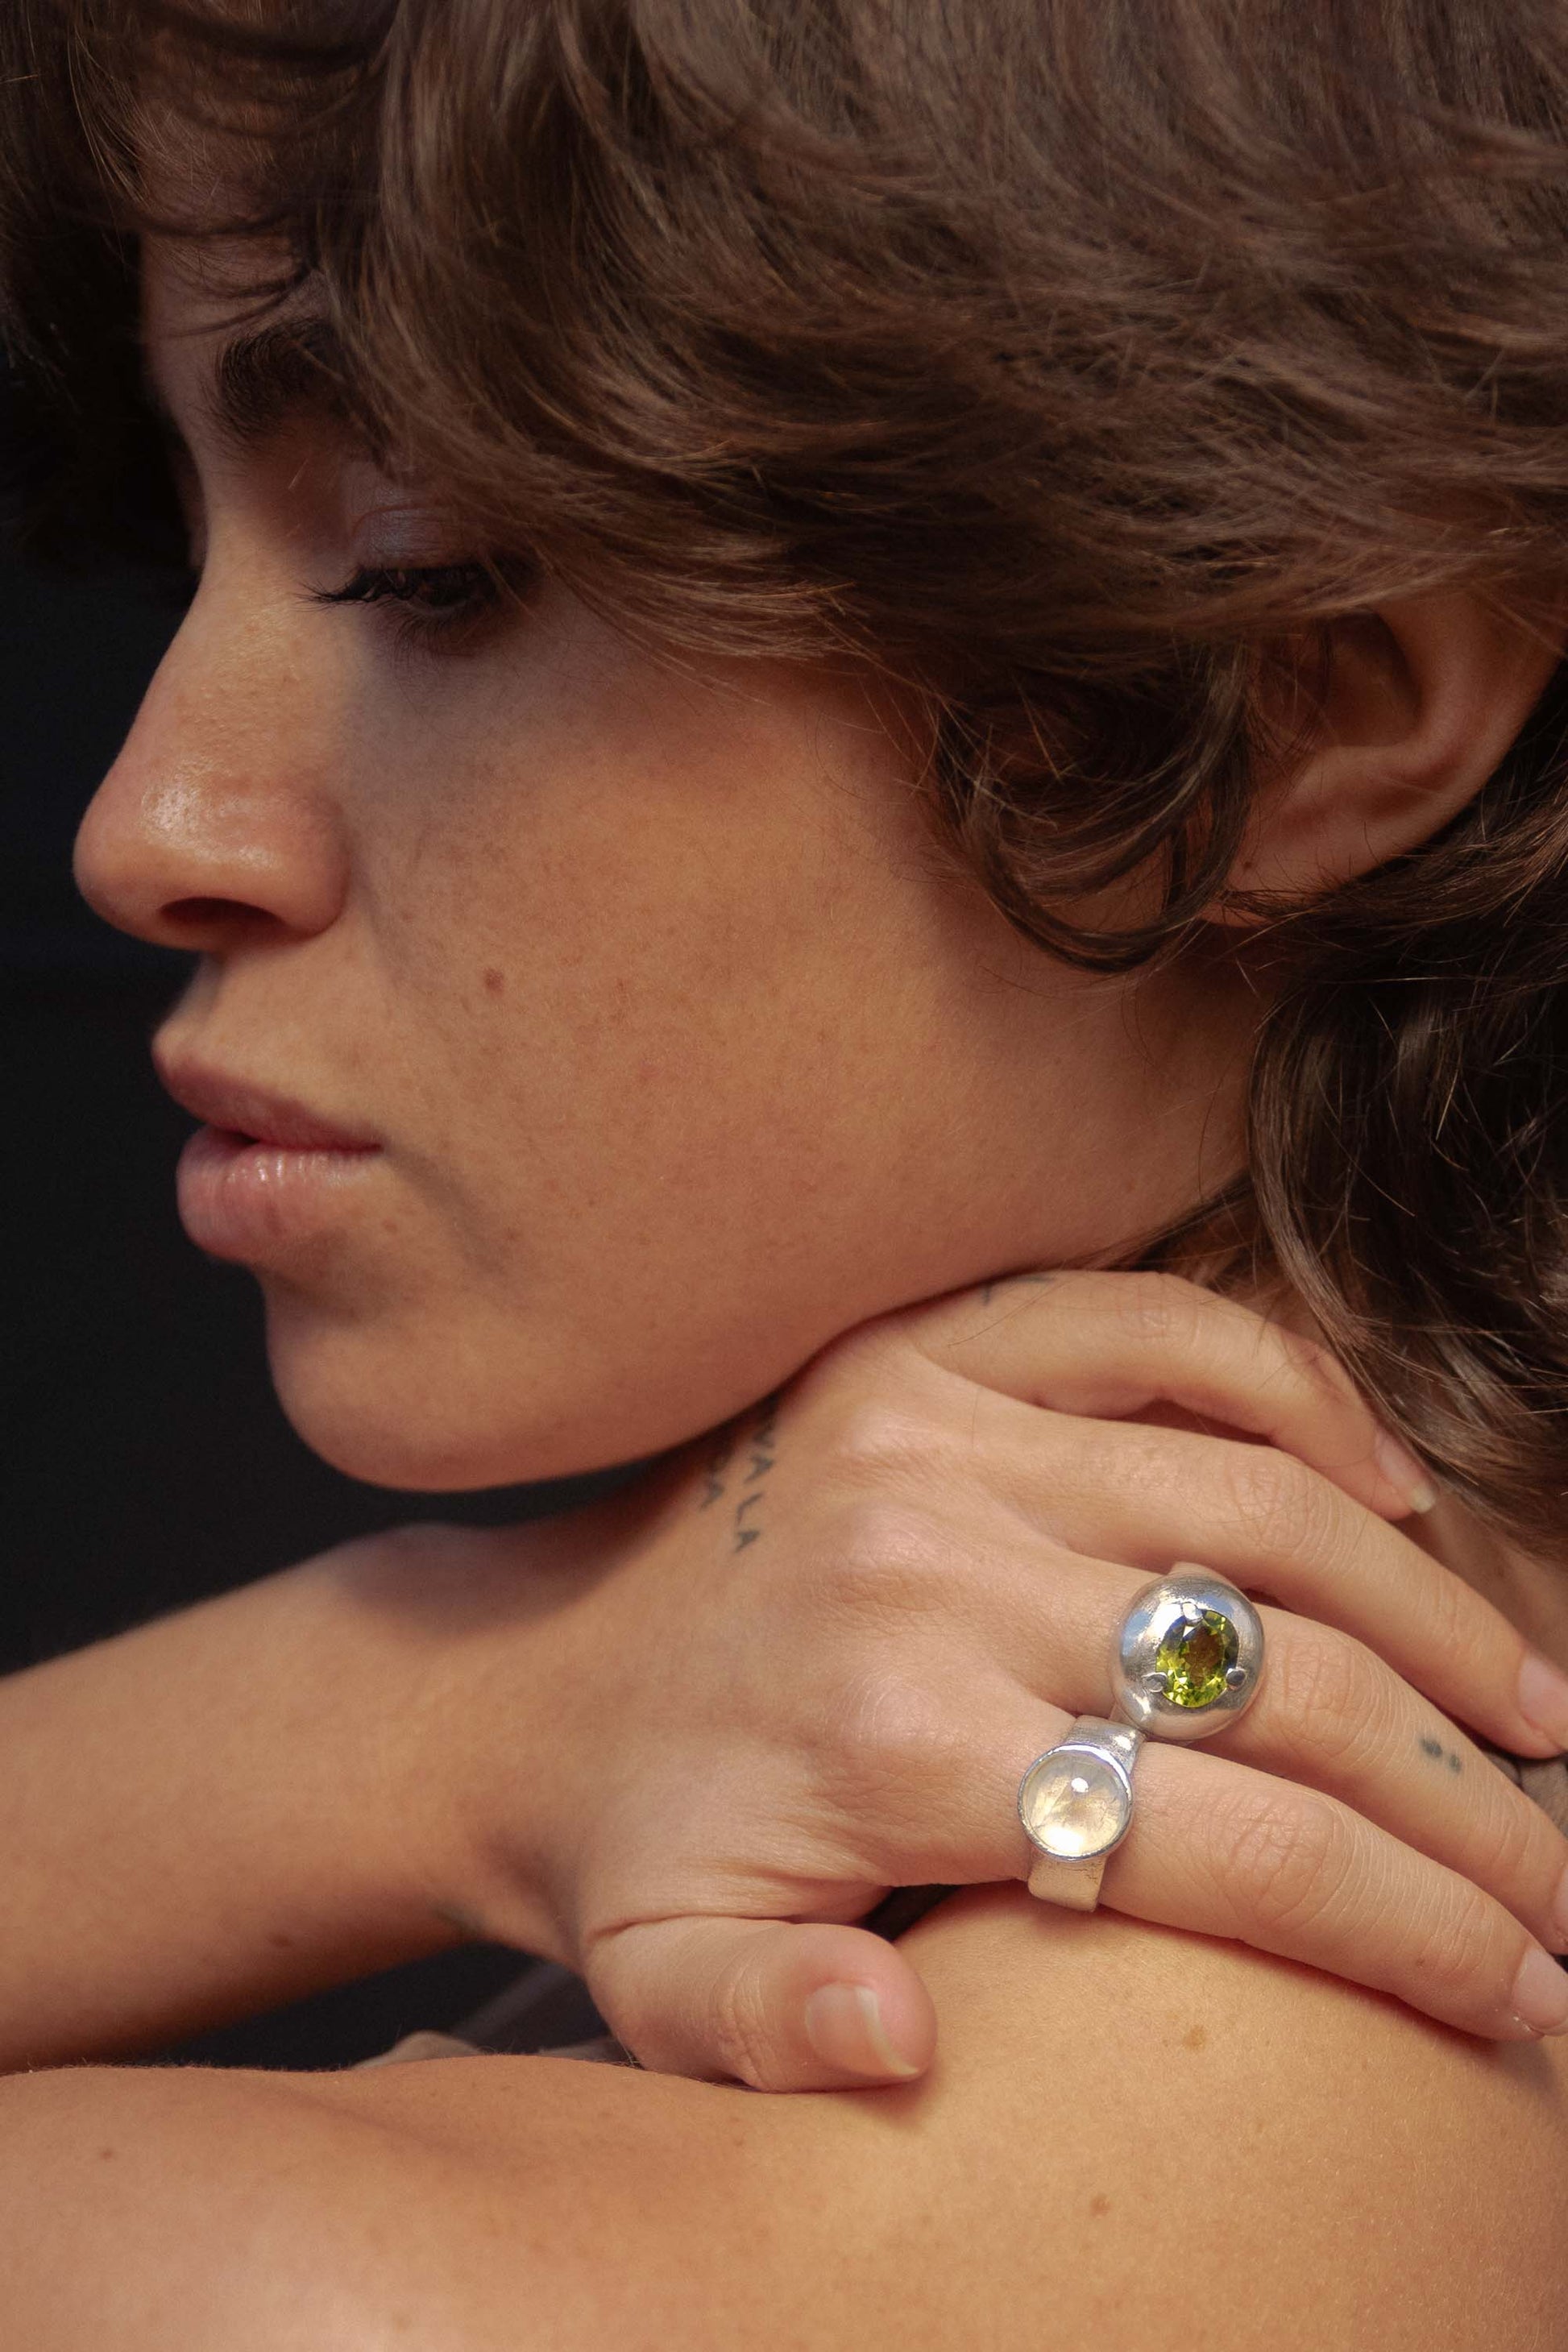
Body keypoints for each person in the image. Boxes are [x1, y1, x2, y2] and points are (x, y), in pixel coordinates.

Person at [1, 1, 1566, 2343]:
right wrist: (505, 1703)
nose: (150, 831)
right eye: (187, 561)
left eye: (428, 567)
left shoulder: (302, 2285)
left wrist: (416, 1717)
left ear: (1303, 693)